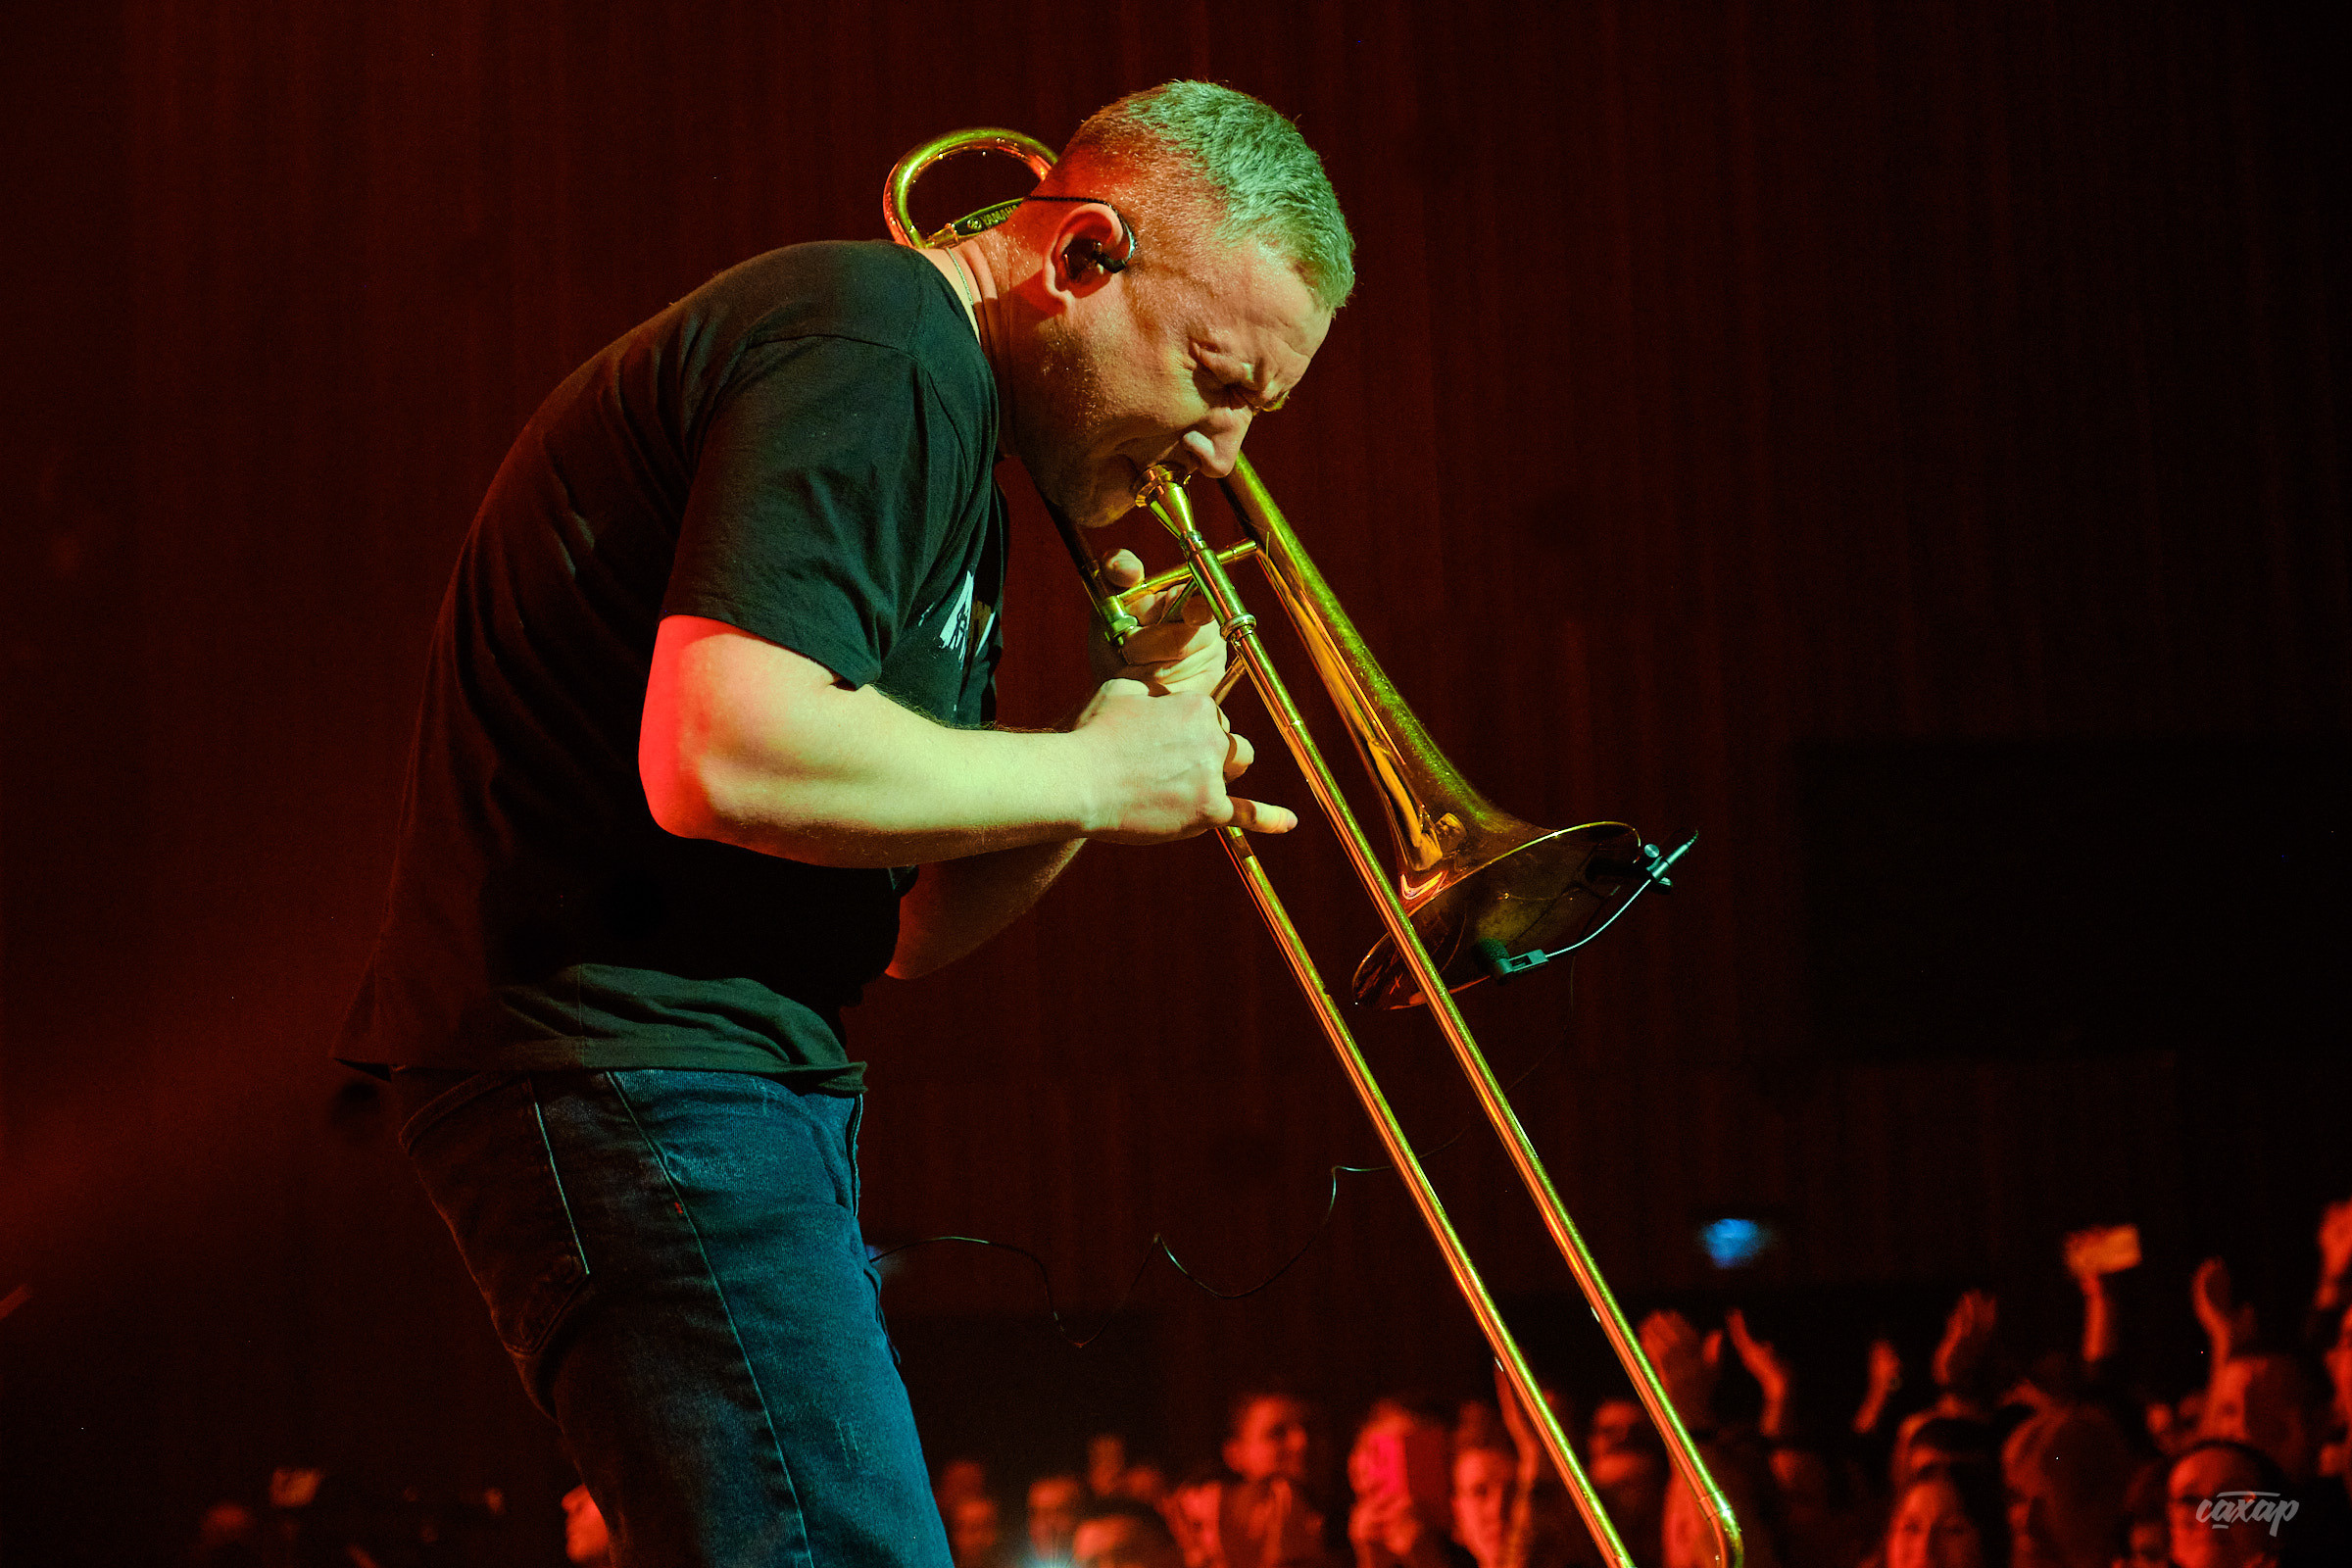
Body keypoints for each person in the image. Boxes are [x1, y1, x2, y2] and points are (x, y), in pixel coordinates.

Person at [335, 79, 1351, 1568]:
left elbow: (915, 925)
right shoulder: (875, 339)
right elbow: (724, 752)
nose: (1225, 453)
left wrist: (1097, 745)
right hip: (634, 1063)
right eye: (1216, 374)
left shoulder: (953, 454)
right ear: (1081, 258)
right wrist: (1096, 781)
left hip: (703, 1079)